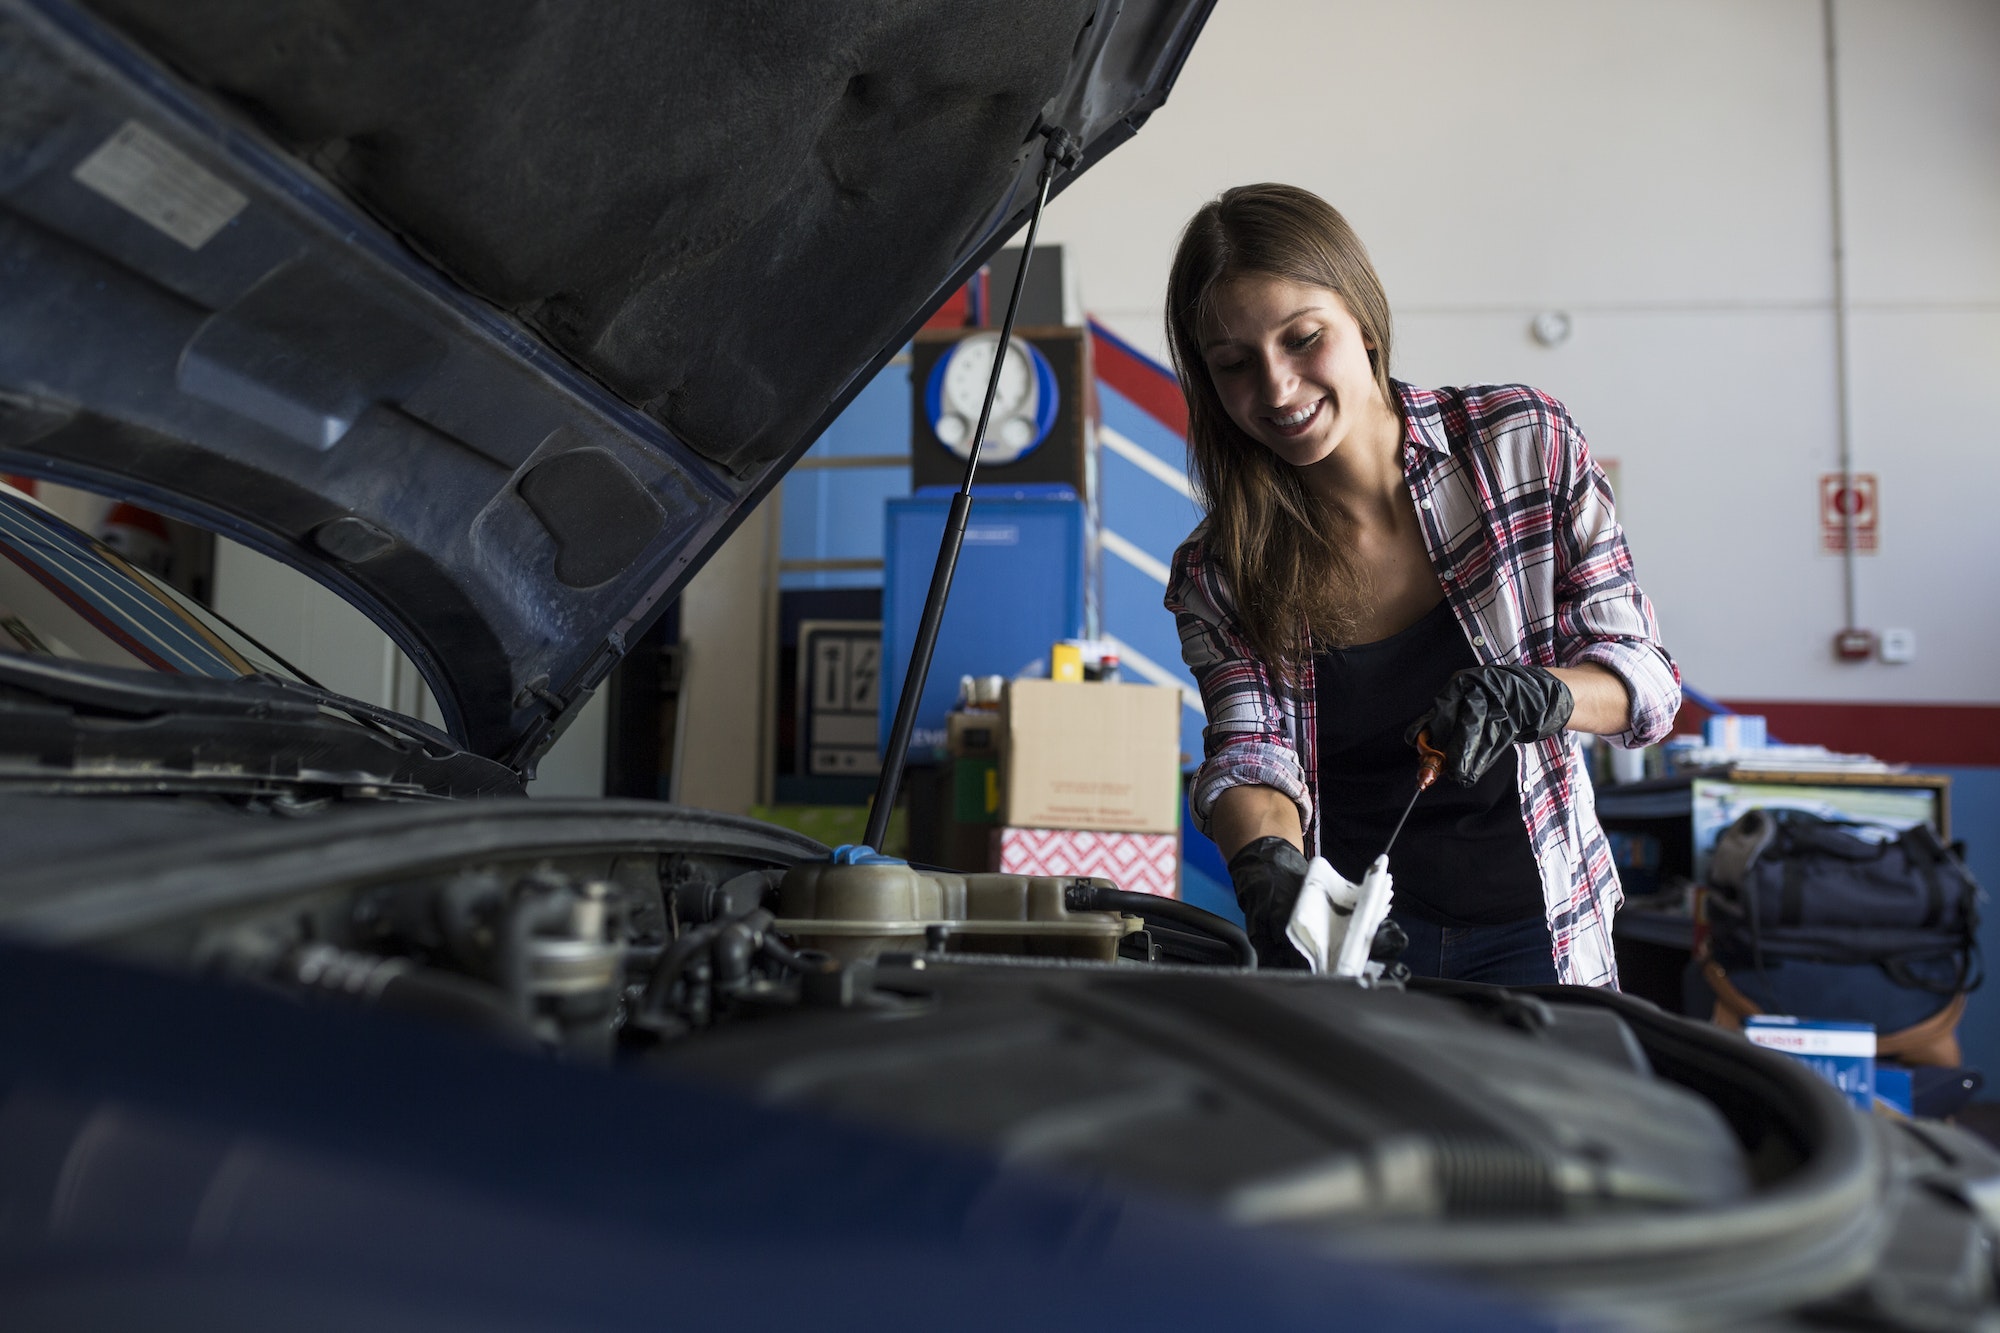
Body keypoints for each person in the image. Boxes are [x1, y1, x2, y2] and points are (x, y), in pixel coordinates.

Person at [1161, 183, 1680, 987]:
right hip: (1352, 951)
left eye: (1303, 339)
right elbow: (1252, 751)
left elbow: (1644, 680)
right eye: (1234, 365)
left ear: (1363, 321)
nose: (1277, 388)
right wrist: (1263, 860)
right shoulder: (1221, 569)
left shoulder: (1519, 446)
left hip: (1540, 928)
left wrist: (1537, 694)